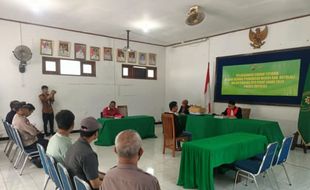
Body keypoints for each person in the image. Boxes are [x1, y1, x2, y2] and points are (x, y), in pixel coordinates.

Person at [64, 117, 104, 190]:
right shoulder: (89, 154)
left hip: (72, 185)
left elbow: (91, 172)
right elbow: (96, 185)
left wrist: (106, 176)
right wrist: (112, 182)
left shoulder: (73, 146)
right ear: (95, 133)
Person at [12, 103, 48, 168]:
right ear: (21, 109)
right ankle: (40, 162)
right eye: (25, 108)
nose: (26, 110)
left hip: (25, 141)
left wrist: (31, 126)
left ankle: (36, 158)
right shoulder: (21, 120)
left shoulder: (16, 116)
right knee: (47, 142)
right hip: (29, 144)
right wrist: (32, 128)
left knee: (42, 139)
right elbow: (33, 133)